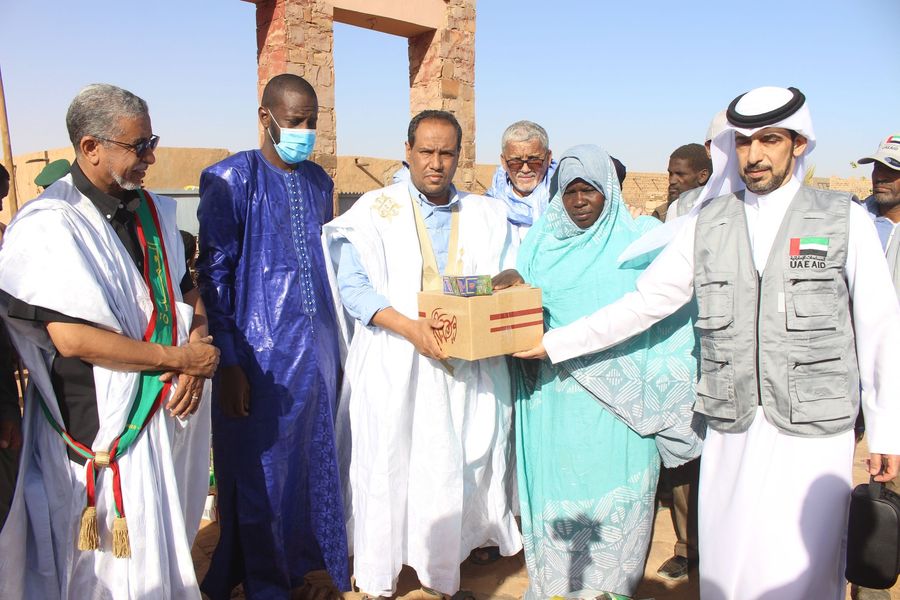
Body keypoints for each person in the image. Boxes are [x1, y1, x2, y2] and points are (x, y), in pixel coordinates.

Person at [515, 86, 900, 600]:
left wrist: (887, 430)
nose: (754, 155)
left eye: (769, 140)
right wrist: (556, 343)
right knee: (727, 566)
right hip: (731, 424)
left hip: (814, 428)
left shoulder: (843, 219)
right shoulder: (708, 223)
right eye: (743, 142)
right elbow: (644, 304)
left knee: (801, 565)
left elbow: (879, 326)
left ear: (799, 143)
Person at [0, 83, 218, 598]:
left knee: (159, 555)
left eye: (151, 142)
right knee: (98, 574)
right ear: (90, 146)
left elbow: (186, 292)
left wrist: (196, 346)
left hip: (161, 416)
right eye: (139, 146)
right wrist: (180, 358)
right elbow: (72, 338)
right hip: (94, 433)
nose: (151, 157)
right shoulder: (49, 226)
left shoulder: (156, 213)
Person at [323, 110, 522, 599]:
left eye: (446, 153)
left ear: (459, 156)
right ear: (407, 151)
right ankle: (379, 573)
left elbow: (499, 276)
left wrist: (501, 283)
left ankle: (440, 573)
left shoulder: (486, 214)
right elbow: (354, 287)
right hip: (395, 359)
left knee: (454, 465)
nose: (436, 163)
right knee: (390, 462)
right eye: (427, 151)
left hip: (465, 368)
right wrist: (410, 328)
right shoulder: (374, 211)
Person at [514, 144, 700, 599]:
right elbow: (521, 309)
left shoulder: (640, 244)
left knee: (616, 506)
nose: (579, 201)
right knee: (559, 496)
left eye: (591, 190)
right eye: (570, 191)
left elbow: (664, 312)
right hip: (554, 404)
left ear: (610, 192)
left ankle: (612, 589)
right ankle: (557, 587)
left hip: (621, 412)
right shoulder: (538, 243)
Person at [196, 73, 349, 599]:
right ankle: (265, 583)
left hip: (317, 353)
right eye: (294, 121)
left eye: (312, 121)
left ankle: (300, 567)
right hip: (259, 360)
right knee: (261, 472)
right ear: (266, 118)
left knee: (309, 466)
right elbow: (213, 274)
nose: (305, 131)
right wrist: (231, 361)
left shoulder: (319, 181)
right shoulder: (230, 179)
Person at [854, 133, 900, 600]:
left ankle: (874, 578)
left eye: (893, 171)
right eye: (877, 167)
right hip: (846, 371)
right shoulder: (854, 222)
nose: (880, 178)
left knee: (889, 477)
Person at [486, 120, 557, 240]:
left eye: (534, 160)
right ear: (503, 161)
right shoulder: (489, 206)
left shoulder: (565, 203)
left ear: (548, 158)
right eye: (515, 162)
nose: (525, 169)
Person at [652, 143, 711, 222]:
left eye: (680, 174)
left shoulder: (718, 214)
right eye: (670, 174)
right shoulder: (660, 215)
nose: (671, 181)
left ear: (703, 176)